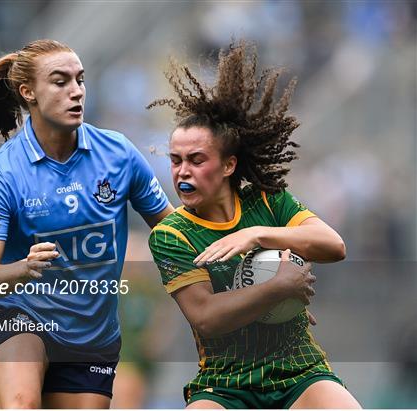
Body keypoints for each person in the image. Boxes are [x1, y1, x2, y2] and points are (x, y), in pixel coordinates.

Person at [0, 39, 173, 409]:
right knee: (21, 401)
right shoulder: (1, 173)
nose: (76, 92)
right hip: (17, 314)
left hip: (91, 334)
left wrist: (239, 239)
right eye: (60, 81)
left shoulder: (119, 155)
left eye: (80, 80)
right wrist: (23, 268)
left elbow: (171, 231)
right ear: (28, 92)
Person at [148, 40, 361, 409]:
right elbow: (206, 317)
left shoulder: (268, 200)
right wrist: (279, 286)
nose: (182, 171)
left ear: (229, 165)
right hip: (224, 383)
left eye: (196, 159)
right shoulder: (171, 234)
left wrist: (256, 234)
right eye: (175, 160)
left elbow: (334, 245)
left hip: (298, 371)